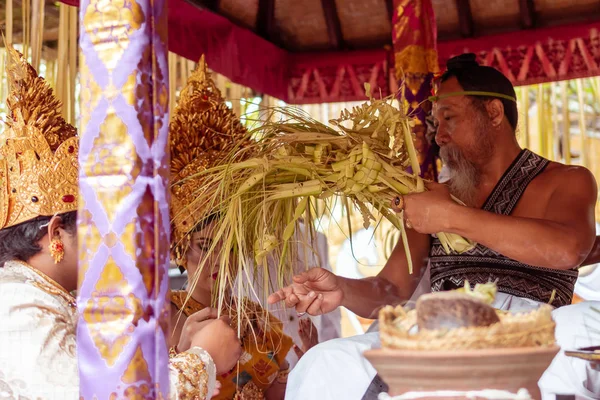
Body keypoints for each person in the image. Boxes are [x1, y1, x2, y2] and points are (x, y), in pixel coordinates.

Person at [268, 53, 598, 399]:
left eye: (449, 118)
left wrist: (450, 216)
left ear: (494, 113)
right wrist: (342, 290)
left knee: (587, 323)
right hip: (438, 335)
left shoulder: (565, 180)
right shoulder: (431, 197)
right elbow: (391, 290)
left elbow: (567, 249)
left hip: (529, 335)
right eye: (436, 123)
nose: (439, 136)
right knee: (327, 361)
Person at [0, 45, 241, 400]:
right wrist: (200, 362)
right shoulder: (17, 302)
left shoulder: (50, 296)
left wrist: (185, 348)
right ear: (56, 233)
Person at [168, 57, 295, 400]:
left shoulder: (259, 321)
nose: (220, 260)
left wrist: (304, 367)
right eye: (206, 245)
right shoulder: (160, 317)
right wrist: (180, 354)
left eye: (232, 247)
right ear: (180, 247)